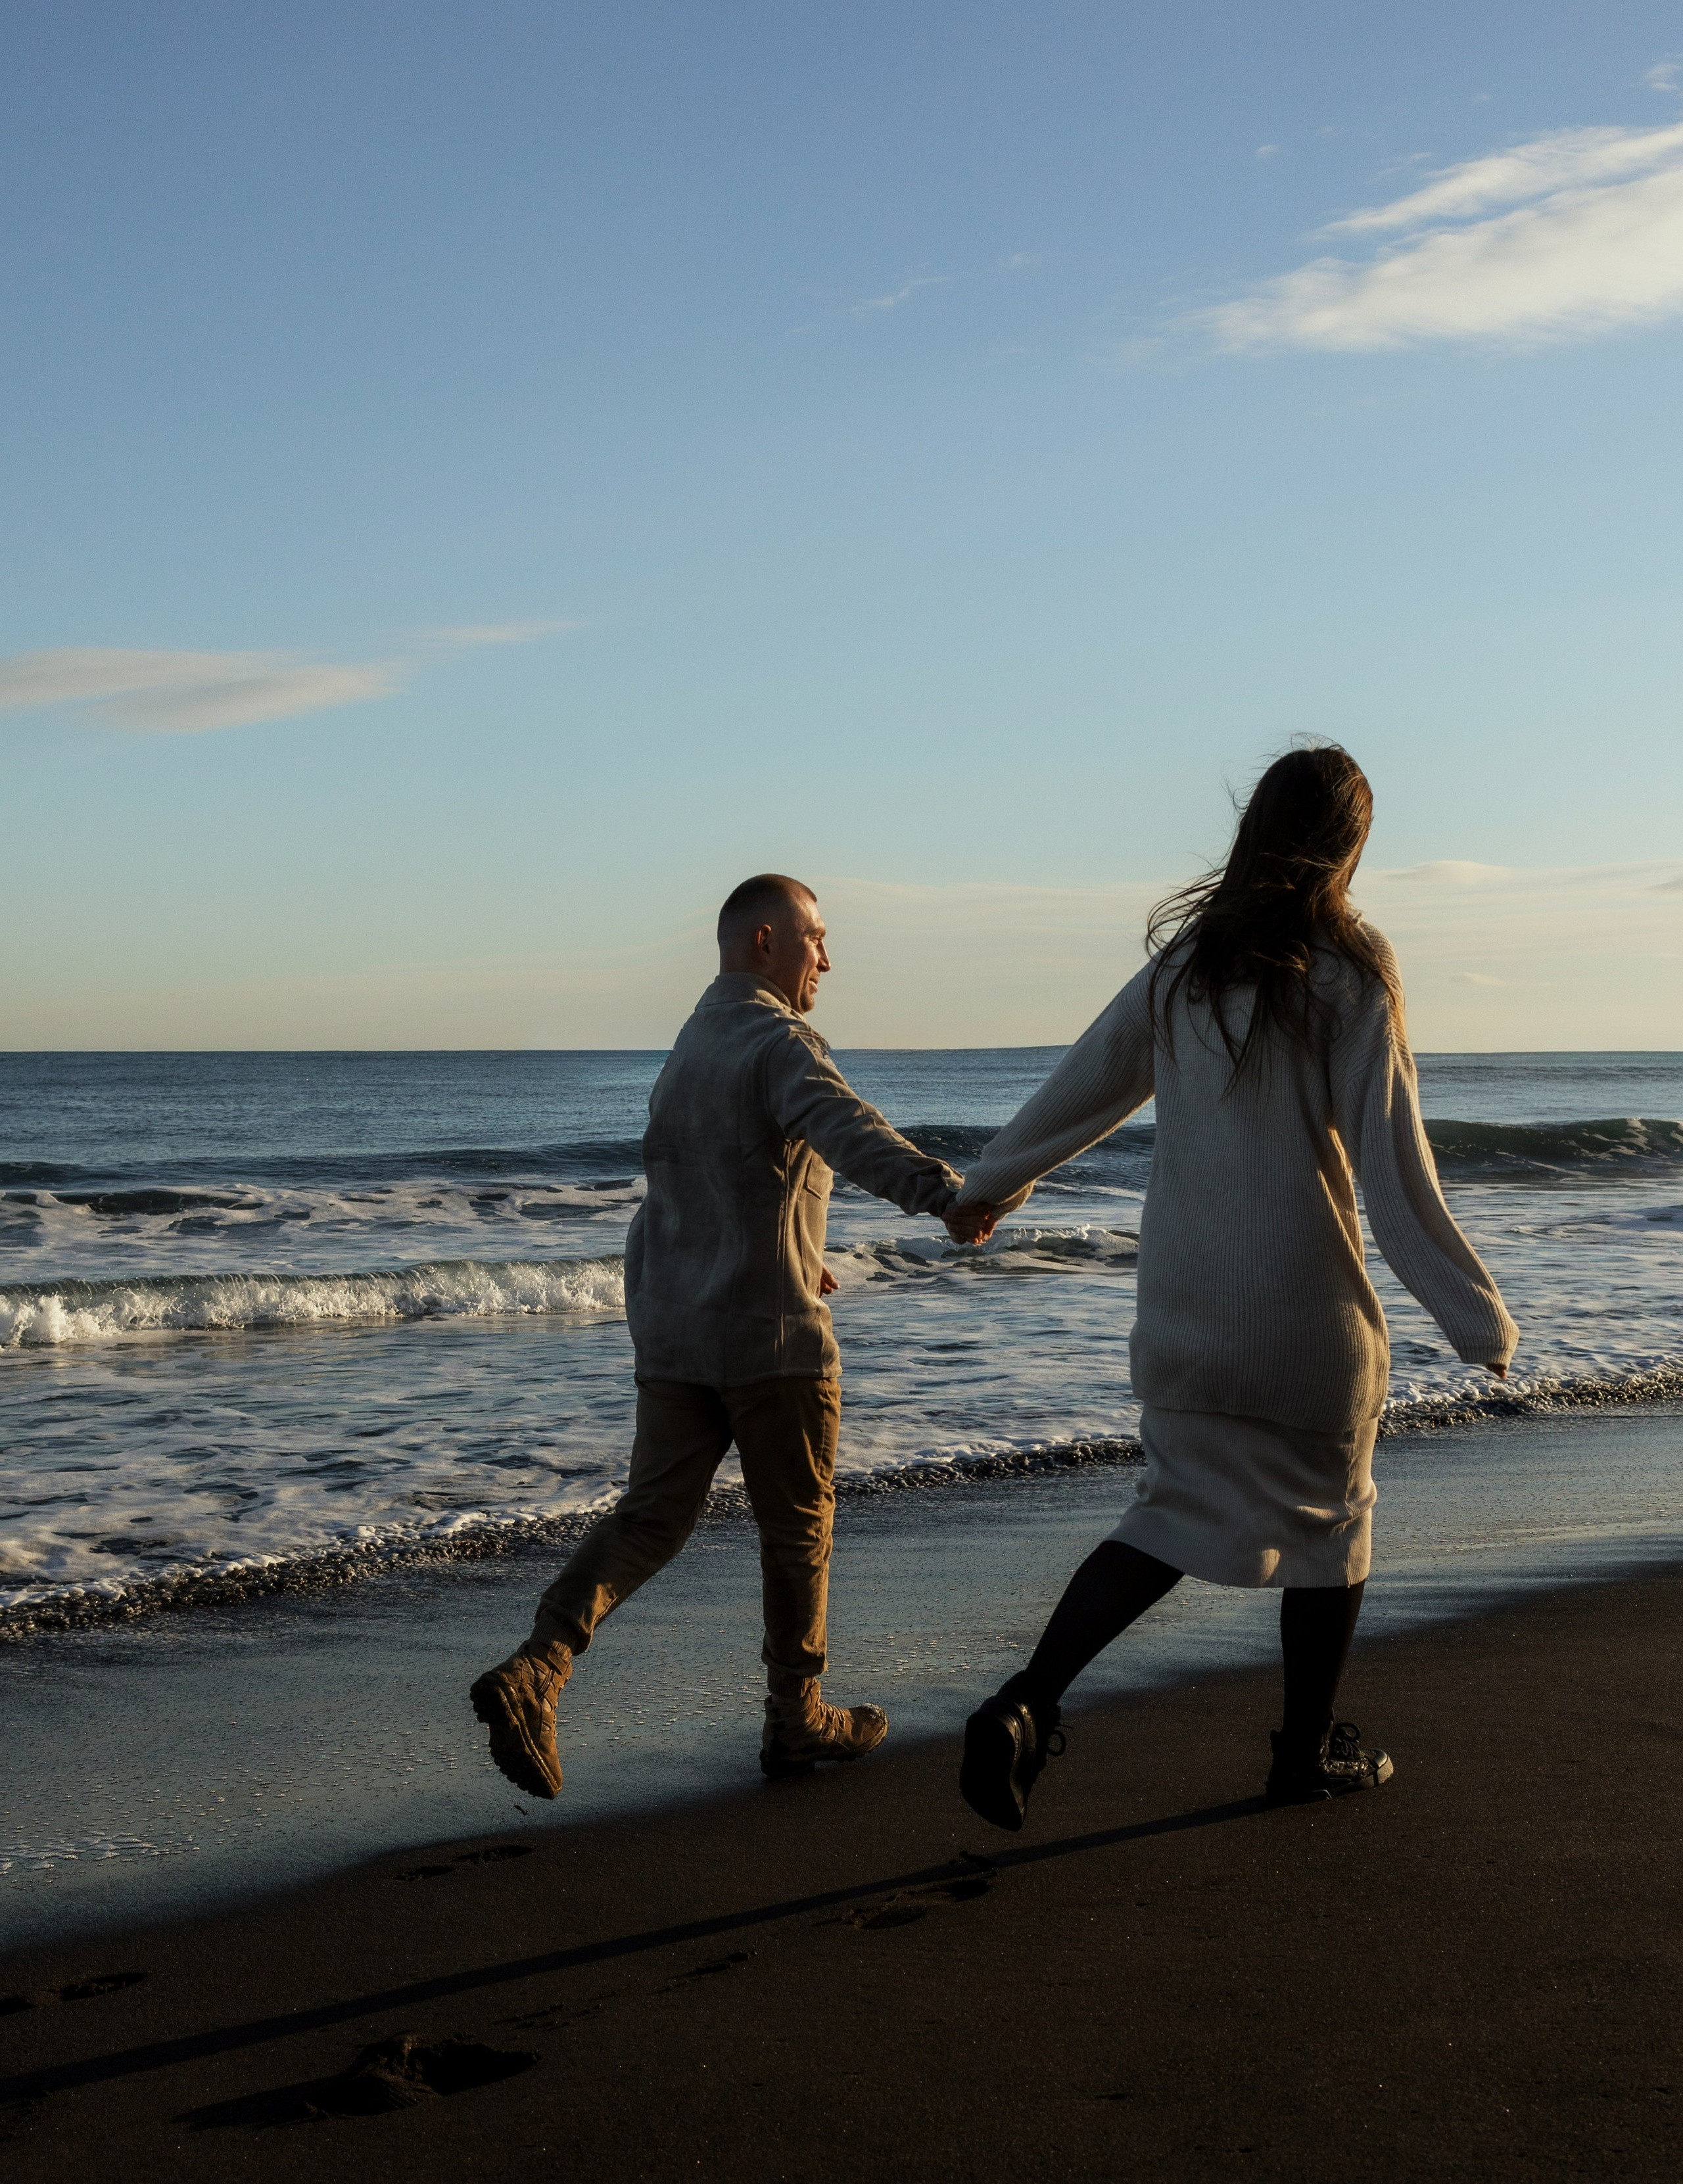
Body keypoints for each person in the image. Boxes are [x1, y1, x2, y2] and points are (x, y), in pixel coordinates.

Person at [944, 744, 1518, 1829]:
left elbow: (1081, 1086)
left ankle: (1026, 1702)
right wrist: (1476, 1317)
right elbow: (1393, 1161)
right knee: (1331, 1526)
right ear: (1347, 846)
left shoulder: (1185, 968)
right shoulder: (1350, 967)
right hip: (1305, 1324)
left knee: (1166, 1516)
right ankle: (1303, 1753)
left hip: (1187, 1316)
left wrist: (987, 1187)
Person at [471, 872, 977, 1798]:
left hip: (676, 1329)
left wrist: (799, 1250)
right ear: (764, 941)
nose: (828, 957)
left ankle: (539, 1664)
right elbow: (850, 1131)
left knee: (651, 1518)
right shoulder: (780, 1041)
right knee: (799, 1528)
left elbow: (705, 1187)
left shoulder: (689, 1047)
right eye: (816, 937)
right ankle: (797, 1717)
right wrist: (947, 1195)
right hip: (768, 1340)